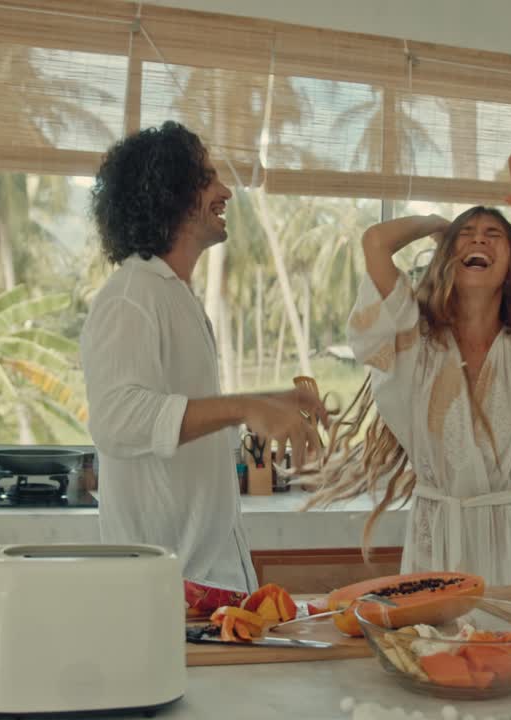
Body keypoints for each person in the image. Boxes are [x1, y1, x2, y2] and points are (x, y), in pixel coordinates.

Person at [300, 152, 511, 585]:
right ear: (447, 257)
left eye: (494, 234)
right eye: (468, 235)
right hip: (438, 534)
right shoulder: (413, 339)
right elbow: (376, 243)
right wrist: (438, 225)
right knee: (436, 650)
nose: (480, 240)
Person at [80, 121, 327, 592]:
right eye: (208, 177)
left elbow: (177, 408)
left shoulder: (175, 296)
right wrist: (244, 408)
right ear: (171, 192)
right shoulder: (132, 296)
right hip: (166, 585)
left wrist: (268, 399)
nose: (226, 190)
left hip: (203, 580)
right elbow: (117, 419)